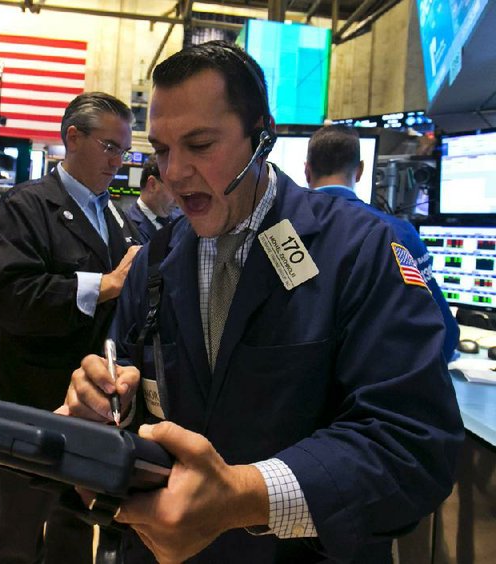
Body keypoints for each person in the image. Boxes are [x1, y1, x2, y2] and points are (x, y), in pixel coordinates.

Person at [61, 41, 463, 563]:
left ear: (263, 137)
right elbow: (133, 382)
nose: (174, 173)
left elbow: (412, 444)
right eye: (161, 150)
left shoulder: (358, 250)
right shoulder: (157, 257)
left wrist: (246, 497)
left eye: (200, 144)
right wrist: (103, 406)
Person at [0, 92, 142, 563]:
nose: (118, 161)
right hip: (31, 403)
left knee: (74, 525)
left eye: (123, 151)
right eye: (109, 147)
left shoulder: (114, 212)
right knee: (18, 530)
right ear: (73, 137)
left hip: (91, 405)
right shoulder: (25, 206)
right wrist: (107, 285)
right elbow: (11, 298)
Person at [305, 124, 460, 362]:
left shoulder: (277, 232)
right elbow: (444, 337)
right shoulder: (398, 233)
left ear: (307, 171)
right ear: (360, 171)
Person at [126, 153, 177, 243]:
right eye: (174, 188)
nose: (179, 200)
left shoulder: (183, 221)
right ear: (152, 185)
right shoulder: (126, 225)